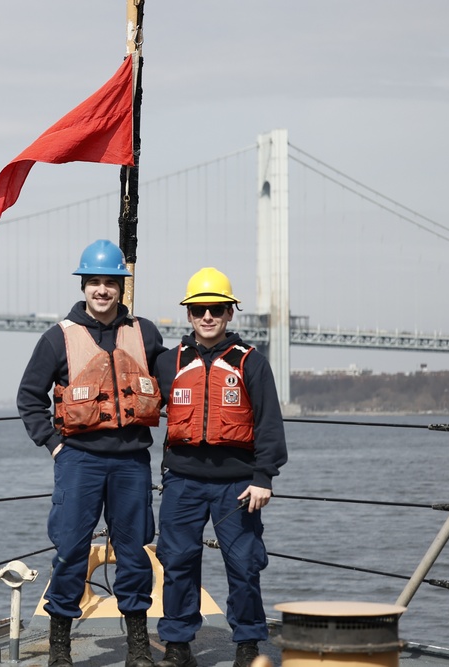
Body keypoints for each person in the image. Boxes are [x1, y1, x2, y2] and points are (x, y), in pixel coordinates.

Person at [17, 239, 166, 667]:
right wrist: (54, 446)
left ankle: (138, 646)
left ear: (122, 286)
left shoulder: (145, 333)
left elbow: (172, 387)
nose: (102, 290)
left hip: (132, 461)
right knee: (70, 550)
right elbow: (29, 398)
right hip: (78, 460)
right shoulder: (57, 339)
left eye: (110, 282)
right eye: (95, 282)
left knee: (135, 551)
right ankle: (60, 647)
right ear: (84, 286)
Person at [153, 267, 288, 667]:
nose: (207, 316)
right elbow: (138, 408)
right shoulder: (167, 362)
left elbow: (269, 424)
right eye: (199, 310)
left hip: (239, 486)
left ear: (230, 313)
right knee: (176, 563)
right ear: (188, 315)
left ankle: (247, 644)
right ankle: (178, 644)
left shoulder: (251, 363)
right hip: (181, 482)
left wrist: (264, 477)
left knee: (244, 566)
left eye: (216, 308)